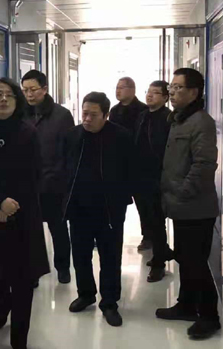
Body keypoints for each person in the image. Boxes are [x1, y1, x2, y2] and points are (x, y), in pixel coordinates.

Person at [0, 78, 50, 349]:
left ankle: (19, 339)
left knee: (23, 279)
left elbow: (34, 174)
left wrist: (12, 205)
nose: (3, 99)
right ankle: (2, 304)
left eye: (9, 95)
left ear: (17, 101)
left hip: (24, 213)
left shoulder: (29, 134)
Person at [156, 68, 221, 340]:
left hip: (195, 207)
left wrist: (183, 192)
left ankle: (209, 316)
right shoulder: (179, 119)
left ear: (194, 92)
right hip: (179, 206)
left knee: (196, 262)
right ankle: (186, 305)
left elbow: (204, 164)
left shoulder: (201, 122)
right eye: (171, 87)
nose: (171, 92)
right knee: (185, 258)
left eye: (178, 87)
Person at [64, 92, 133, 327]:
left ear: (106, 115)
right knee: (80, 255)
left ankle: (110, 302)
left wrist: (122, 199)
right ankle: (86, 294)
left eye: (93, 115)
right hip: (79, 208)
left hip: (109, 210)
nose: (87, 119)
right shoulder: (73, 136)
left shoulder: (121, 137)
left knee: (110, 258)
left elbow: (132, 170)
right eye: (84, 113)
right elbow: (64, 167)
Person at [22, 70, 74, 285]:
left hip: (54, 184)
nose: (29, 94)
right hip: (26, 185)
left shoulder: (62, 116)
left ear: (44, 89)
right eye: (25, 90)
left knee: (58, 229)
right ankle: (32, 271)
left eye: (33, 89)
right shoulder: (19, 114)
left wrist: (62, 179)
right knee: (29, 232)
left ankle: (63, 268)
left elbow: (70, 151)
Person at [133, 81, 174, 283]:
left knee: (157, 221)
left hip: (157, 177)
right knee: (147, 218)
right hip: (139, 176)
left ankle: (159, 264)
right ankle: (161, 251)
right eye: (148, 92)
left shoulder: (168, 118)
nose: (150, 95)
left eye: (156, 93)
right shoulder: (142, 116)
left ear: (165, 97)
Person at [109, 77, 149, 251]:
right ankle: (111, 234)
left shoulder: (143, 110)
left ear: (132, 90)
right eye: (117, 87)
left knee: (144, 204)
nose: (118, 91)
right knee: (116, 203)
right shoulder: (114, 111)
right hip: (119, 164)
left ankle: (148, 236)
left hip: (139, 164)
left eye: (122, 88)